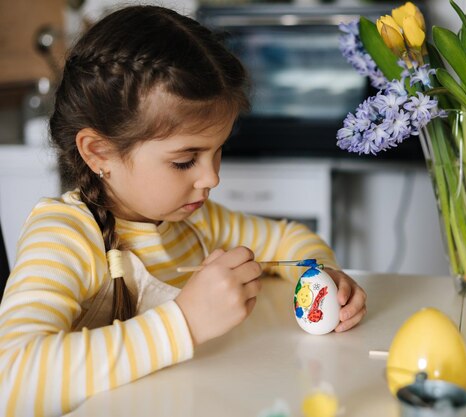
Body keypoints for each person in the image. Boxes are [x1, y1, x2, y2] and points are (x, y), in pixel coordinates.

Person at [0, 6, 367, 417]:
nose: (211, 178)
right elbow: (12, 378)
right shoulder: (66, 235)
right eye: (184, 160)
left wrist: (318, 275)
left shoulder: (196, 220)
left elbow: (286, 237)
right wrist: (185, 322)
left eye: (217, 151)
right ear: (99, 152)